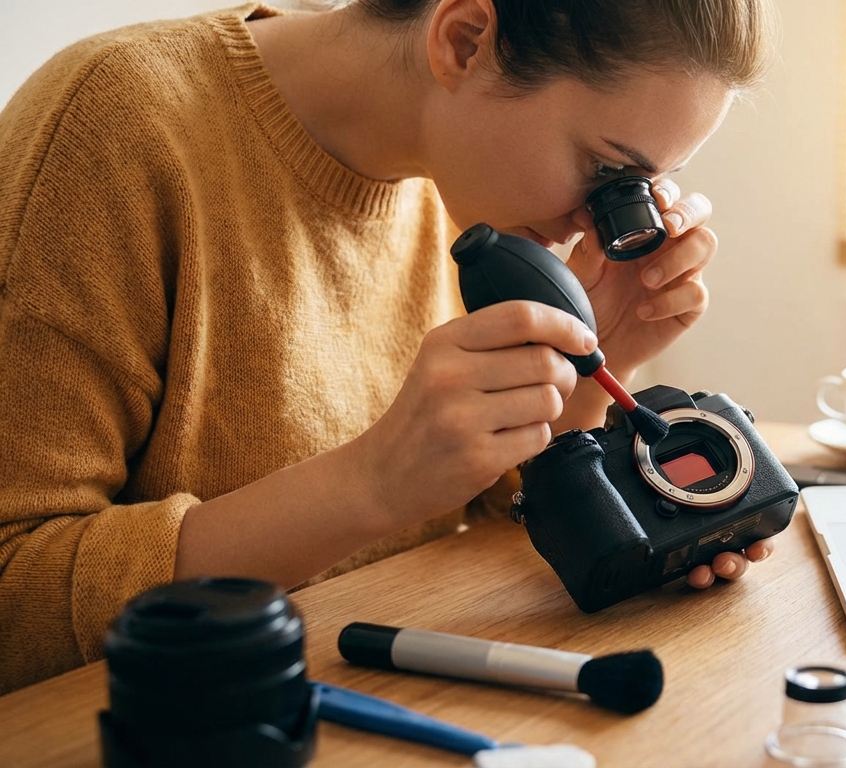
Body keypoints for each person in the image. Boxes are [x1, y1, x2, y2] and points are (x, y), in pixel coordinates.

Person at [0, 0, 776, 694]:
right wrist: (370, 484)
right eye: (607, 172)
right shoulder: (115, 125)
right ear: (465, 40)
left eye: (644, 187)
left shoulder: (467, 179)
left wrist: (588, 370)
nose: (601, 222)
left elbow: (487, 514)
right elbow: (14, 597)